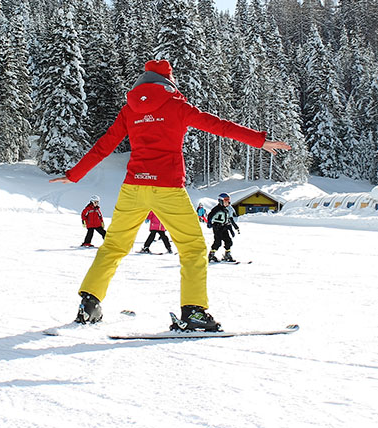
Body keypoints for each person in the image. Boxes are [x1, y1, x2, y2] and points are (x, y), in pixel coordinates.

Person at [50, 59, 291, 331]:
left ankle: (90, 305)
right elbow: (219, 126)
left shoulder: (130, 110)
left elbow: (104, 146)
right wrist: (260, 141)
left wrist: (74, 175)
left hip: (133, 188)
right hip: (167, 188)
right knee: (193, 248)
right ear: (168, 80)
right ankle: (194, 312)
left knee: (114, 247)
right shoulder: (177, 106)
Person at [207, 193, 240, 262]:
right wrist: (209, 223)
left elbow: (230, 219)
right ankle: (211, 255)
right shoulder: (216, 209)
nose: (227, 202)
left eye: (228, 200)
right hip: (217, 227)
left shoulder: (226, 210)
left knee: (228, 241)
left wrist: (233, 228)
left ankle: (227, 255)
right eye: (226, 200)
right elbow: (210, 216)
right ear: (221, 201)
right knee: (218, 242)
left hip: (224, 227)